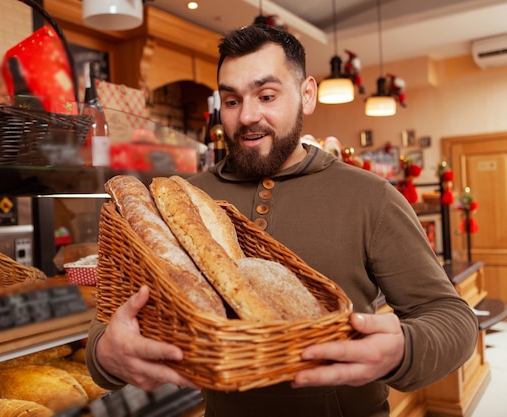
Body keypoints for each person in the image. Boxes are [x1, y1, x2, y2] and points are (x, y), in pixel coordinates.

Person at [85, 24, 478, 416]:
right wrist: (106, 354)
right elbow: (109, 321)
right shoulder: (180, 197)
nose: (248, 115)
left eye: (267, 95)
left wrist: (404, 350)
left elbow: (453, 318)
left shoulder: (370, 197)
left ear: (307, 95)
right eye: (232, 100)